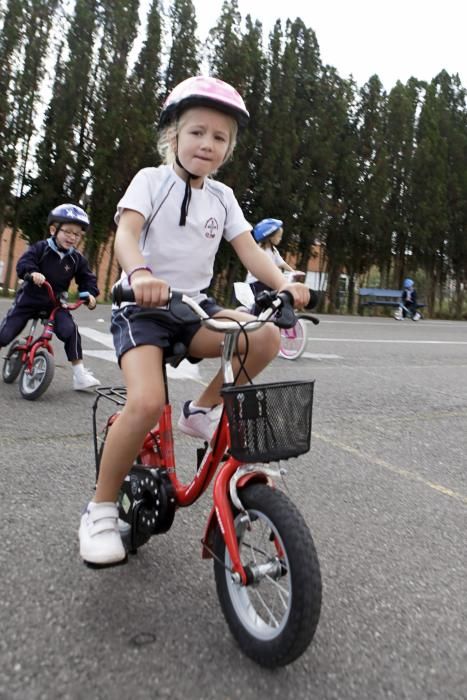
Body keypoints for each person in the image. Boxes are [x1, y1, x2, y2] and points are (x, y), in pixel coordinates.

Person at [78, 75, 311, 566]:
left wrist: (285, 283)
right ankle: (99, 509)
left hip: (195, 308)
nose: (207, 144)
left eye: (219, 137)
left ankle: (199, 413)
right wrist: (139, 271)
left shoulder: (222, 198)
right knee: (143, 404)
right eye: (197, 132)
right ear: (173, 137)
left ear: (229, 148)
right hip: (140, 309)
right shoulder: (151, 180)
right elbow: (127, 233)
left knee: (263, 336)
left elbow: (250, 252)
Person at [0, 204, 101, 391]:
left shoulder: (76, 259)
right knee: (6, 332)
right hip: (30, 298)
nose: (72, 237)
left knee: (70, 331)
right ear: (54, 230)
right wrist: (32, 272)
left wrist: (90, 295)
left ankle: (79, 375)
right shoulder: (41, 248)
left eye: (77, 234)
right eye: (68, 232)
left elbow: (87, 279)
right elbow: (24, 263)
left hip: (54, 303)